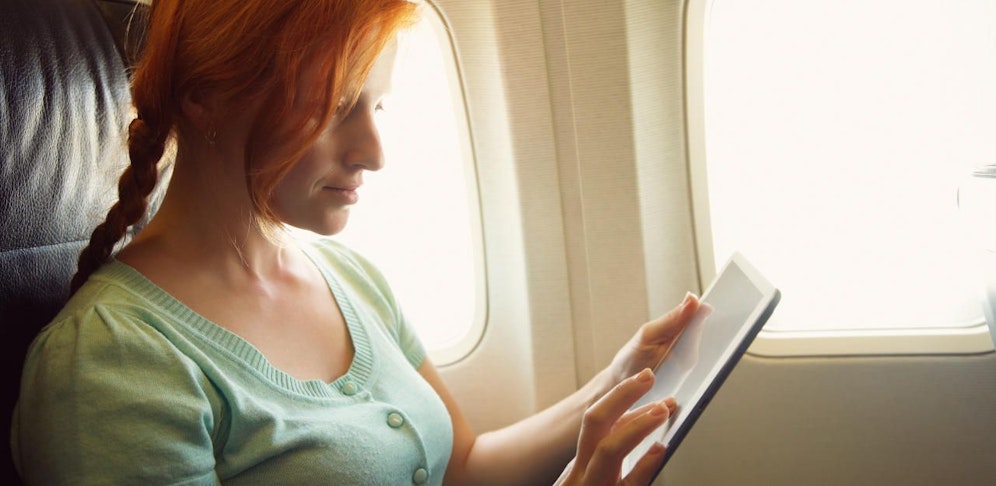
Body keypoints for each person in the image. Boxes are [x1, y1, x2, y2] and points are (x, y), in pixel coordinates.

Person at [11, 1, 702, 484]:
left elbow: (462, 468)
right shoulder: (109, 364)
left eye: (378, 105)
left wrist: (619, 381)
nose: (374, 152)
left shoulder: (348, 278)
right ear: (205, 96)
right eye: (339, 105)